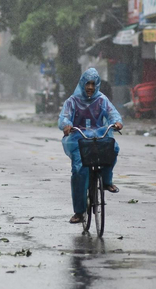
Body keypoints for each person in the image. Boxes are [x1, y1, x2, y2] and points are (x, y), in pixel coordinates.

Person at [59, 68, 123, 224]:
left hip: (98, 136)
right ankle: (79, 212)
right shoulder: (72, 101)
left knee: (113, 148)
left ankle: (106, 181)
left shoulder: (102, 100)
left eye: (93, 84)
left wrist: (117, 122)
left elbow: (112, 113)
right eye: (87, 83)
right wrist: (66, 125)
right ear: (82, 84)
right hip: (78, 138)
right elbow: (64, 117)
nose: (90, 87)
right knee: (79, 170)